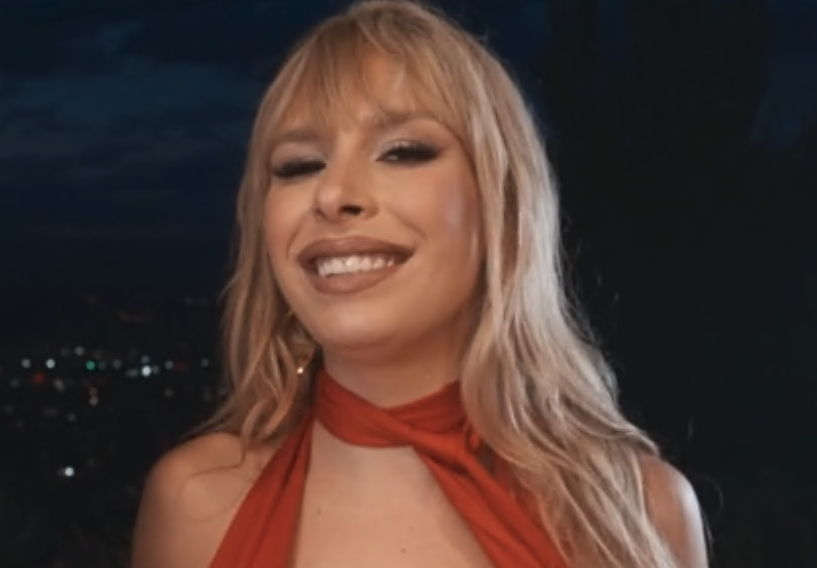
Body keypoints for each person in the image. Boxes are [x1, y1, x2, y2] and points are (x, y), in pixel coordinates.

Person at [130, 1, 708, 567]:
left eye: (402, 152)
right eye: (300, 166)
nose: (332, 194)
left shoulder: (639, 512)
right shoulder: (194, 505)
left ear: (503, 206)